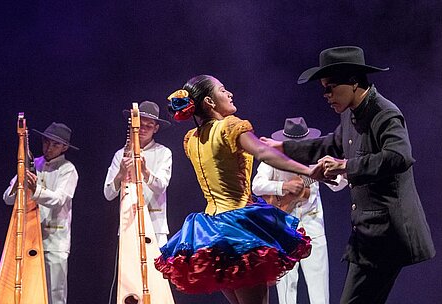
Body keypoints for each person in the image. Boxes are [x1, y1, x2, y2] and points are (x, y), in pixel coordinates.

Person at [261, 46, 435, 304]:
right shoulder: (351, 114)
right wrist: (283, 147)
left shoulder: (384, 113)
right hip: (368, 235)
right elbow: (329, 144)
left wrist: (345, 166)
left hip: (387, 235)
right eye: (323, 89)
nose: (326, 95)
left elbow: (399, 157)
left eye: (330, 87)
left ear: (353, 82)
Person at [154, 75, 330, 304]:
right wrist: (308, 171)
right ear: (209, 101)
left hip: (209, 230)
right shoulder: (230, 126)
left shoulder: (192, 139)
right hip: (238, 227)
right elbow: (264, 154)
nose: (230, 94)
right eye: (223, 90)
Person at [252, 117, 347, 304]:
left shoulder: (316, 158)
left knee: (319, 289)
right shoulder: (274, 158)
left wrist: (345, 170)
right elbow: (257, 185)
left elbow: (336, 185)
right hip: (284, 228)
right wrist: (283, 187)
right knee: (287, 289)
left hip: (313, 225)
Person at [3, 122, 79, 304]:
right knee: (27, 291)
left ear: (65, 147)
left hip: (55, 241)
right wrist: (17, 185)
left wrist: (35, 189)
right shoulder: (31, 164)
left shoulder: (68, 169)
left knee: (55, 294)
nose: (49, 147)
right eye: (46, 142)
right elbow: (7, 198)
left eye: (55, 144)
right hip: (28, 239)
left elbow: (58, 200)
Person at [104, 100, 172, 247]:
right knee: (128, 269)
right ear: (133, 125)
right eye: (140, 124)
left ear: (156, 128)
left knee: (157, 269)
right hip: (128, 225)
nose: (143, 129)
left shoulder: (164, 152)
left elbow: (161, 187)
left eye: (149, 126)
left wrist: (145, 171)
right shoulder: (120, 154)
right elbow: (108, 194)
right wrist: (120, 174)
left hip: (156, 226)